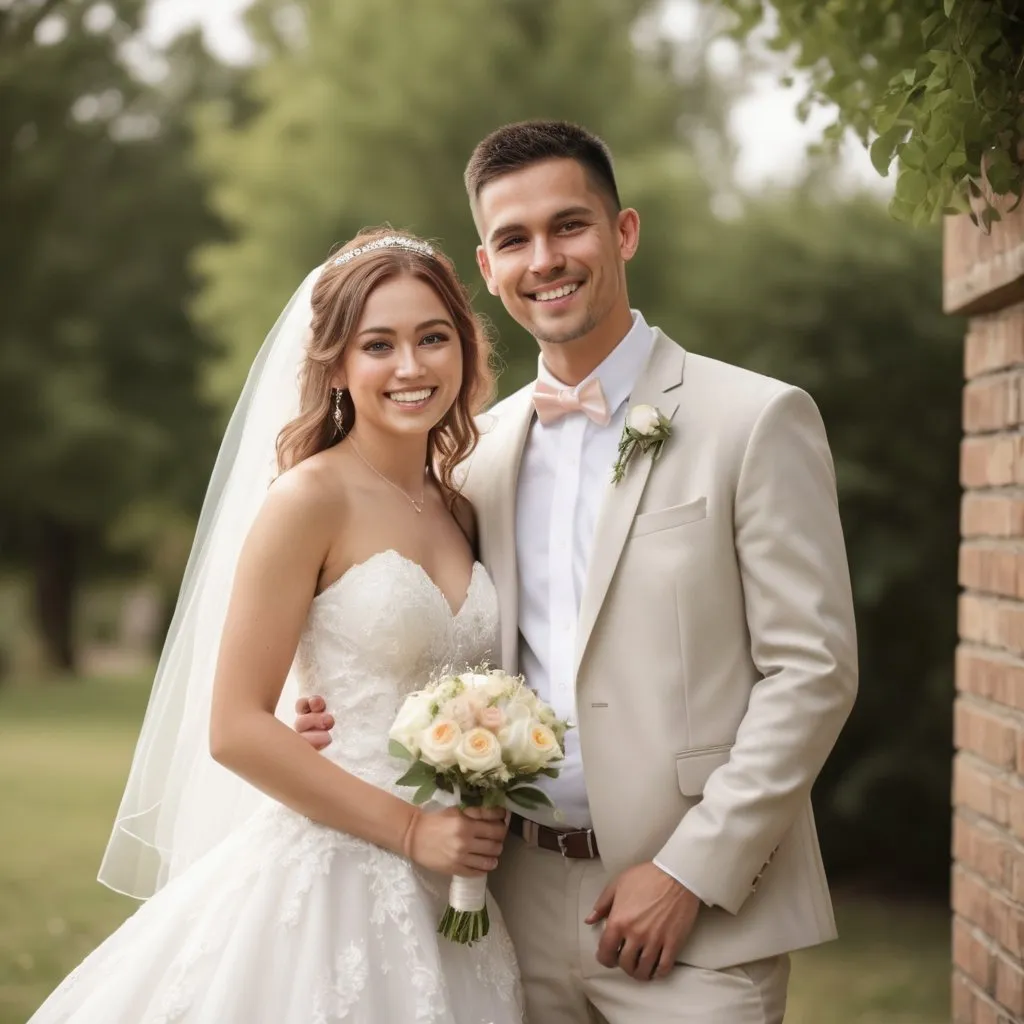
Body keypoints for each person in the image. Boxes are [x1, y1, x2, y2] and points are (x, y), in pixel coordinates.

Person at [297, 121, 858, 1024]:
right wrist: (323, 705)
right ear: (488, 267)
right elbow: (437, 639)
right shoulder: (476, 459)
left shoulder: (755, 419)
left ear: (624, 232)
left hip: (703, 920)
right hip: (503, 908)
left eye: (570, 227)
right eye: (515, 239)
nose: (545, 260)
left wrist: (690, 871)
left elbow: (815, 673)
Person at [27, 229, 523, 1024]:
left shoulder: (457, 502)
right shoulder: (307, 501)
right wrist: (411, 832)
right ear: (336, 366)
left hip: (457, 892)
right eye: (378, 344)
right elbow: (234, 728)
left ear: (464, 347)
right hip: (339, 878)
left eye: (433, 338)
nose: (411, 367)